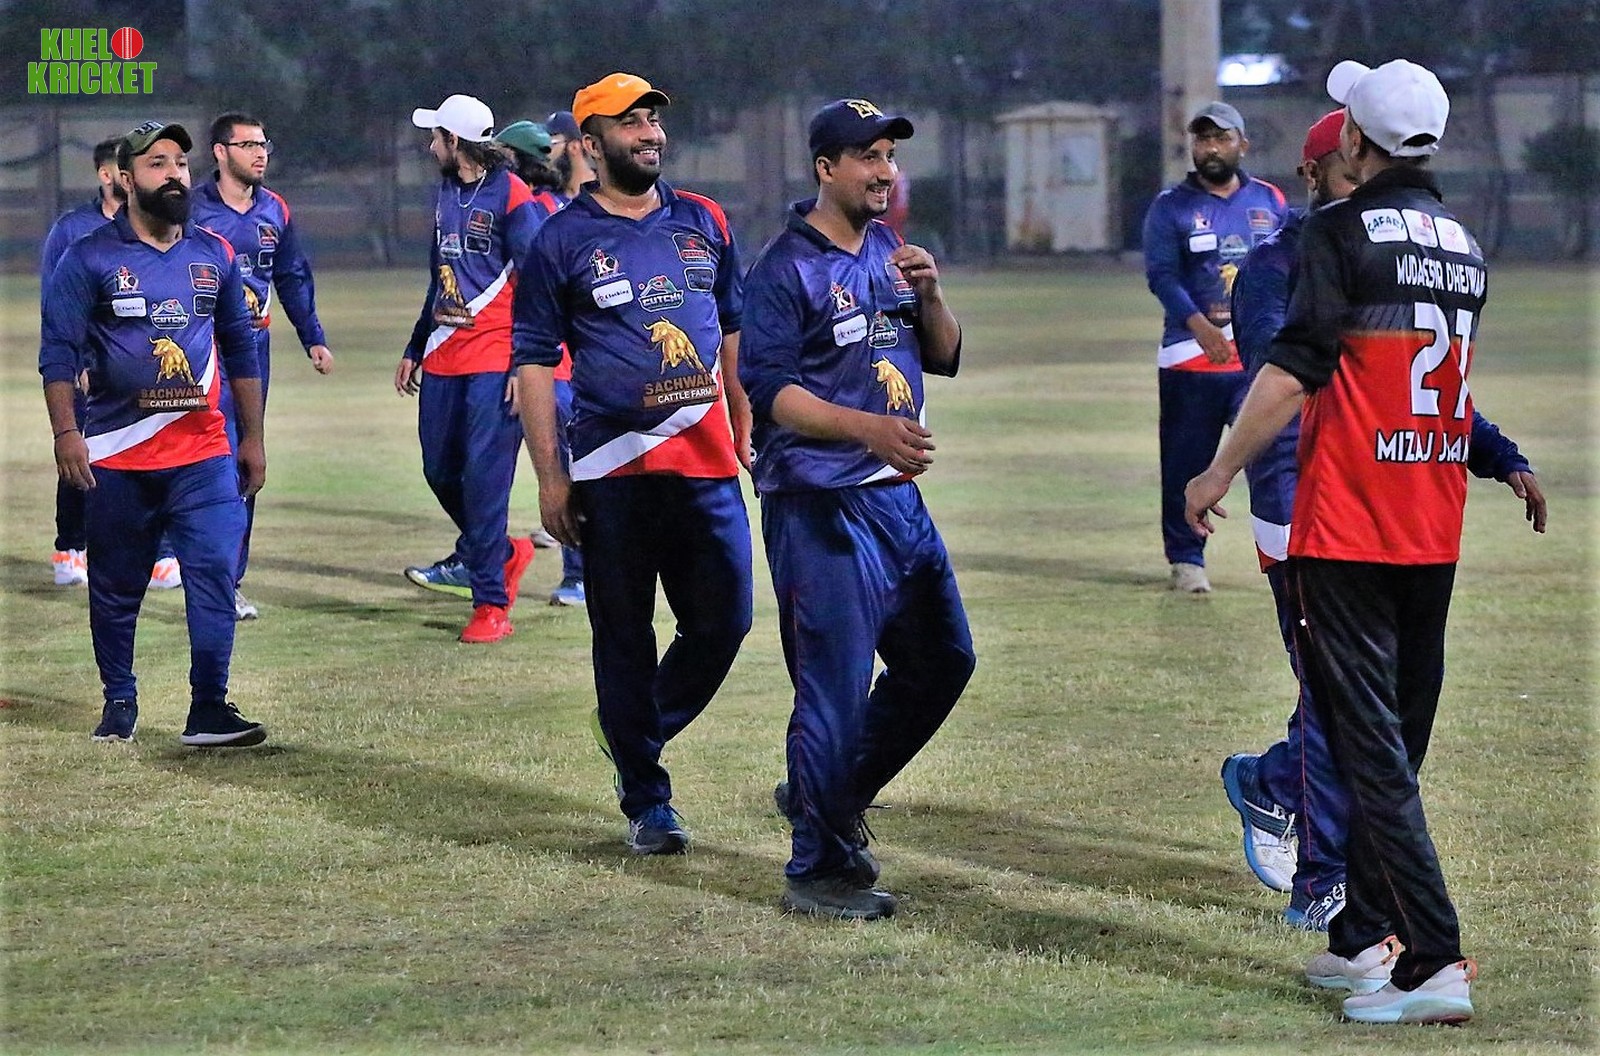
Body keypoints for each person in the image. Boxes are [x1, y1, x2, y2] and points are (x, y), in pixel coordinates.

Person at [1186, 59, 1545, 1024]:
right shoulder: (1464, 244)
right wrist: (1497, 455)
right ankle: (1368, 939)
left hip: (1349, 530)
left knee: (1369, 752)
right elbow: (1431, 384)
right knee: (1392, 746)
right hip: (1432, 527)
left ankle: (1433, 963)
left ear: (1353, 141)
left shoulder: (1336, 236)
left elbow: (1292, 371)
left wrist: (1216, 472)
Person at [740, 99, 976, 920]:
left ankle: (826, 798)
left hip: (898, 503)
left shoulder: (885, 250)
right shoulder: (784, 268)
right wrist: (869, 429)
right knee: (833, 692)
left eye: (889, 157)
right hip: (822, 505)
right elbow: (770, 392)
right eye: (868, 157)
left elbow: (942, 355)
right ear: (825, 168)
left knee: (943, 661)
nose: (884, 172)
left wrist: (932, 294)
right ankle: (818, 870)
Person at [513, 72, 753, 854]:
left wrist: (746, 425)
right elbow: (534, 363)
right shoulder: (560, 240)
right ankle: (649, 800)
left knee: (725, 622)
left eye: (652, 119)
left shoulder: (705, 219)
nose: (649, 133)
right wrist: (551, 477)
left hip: (708, 465)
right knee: (623, 638)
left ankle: (630, 728)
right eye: (630, 123)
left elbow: (733, 331)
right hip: (611, 473)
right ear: (591, 144)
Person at [40, 120, 269, 747]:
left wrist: (252, 438)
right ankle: (119, 699)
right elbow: (58, 353)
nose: (174, 175)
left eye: (180, 164)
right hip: (117, 455)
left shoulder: (213, 254)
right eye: (157, 164)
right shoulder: (88, 256)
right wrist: (66, 433)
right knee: (116, 588)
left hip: (203, 453)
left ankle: (209, 707)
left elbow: (240, 349)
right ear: (125, 177)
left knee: (214, 573)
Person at [397, 93, 541, 643]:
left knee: (485, 480)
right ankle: (499, 551)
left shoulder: (513, 194)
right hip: (443, 355)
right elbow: (440, 278)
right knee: (439, 470)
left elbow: (538, 281)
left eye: (435, 137)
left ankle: (491, 606)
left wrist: (524, 363)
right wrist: (415, 345)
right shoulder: (445, 193)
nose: (430, 146)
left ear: (455, 141)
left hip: (495, 358)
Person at [191, 112, 335, 621]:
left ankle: (227, 582)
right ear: (220, 152)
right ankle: (172, 558)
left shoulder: (275, 210)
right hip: (198, 355)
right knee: (195, 461)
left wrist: (312, 337)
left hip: (251, 356)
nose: (260, 153)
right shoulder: (191, 210)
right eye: (248, 145)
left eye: (263, 144)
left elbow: (292, 275)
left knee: (242, 463)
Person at [1142, 101, 1289, 593]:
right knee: (1185, 464)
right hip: (1190, 358)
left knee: (1275, 458)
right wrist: (1200, 326)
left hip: (1257, 362)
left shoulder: (1270, 201)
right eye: (1203, 139)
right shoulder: (1171, 206)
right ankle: (1187, 560)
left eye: (1221, 138)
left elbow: (1289, 269)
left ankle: (1287, 551)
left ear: (1241, 144)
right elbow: (1161, 275)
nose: (1211, 148)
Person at [494, 117, 587, 606]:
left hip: (564, 365)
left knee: (570, 464)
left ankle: (581, 575)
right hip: (543, 364)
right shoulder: (533, 209)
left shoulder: (553, 213)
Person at [40, 136, 124, 589]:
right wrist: (75, 365)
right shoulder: (72, 230)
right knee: (81, 454)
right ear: (106, 175)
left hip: (136, 368)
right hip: (86, 371)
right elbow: (55, 307)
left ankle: (159, 552)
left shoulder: (148, 226)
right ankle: (70, 546)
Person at [536, 108, 599, 608]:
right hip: (555, 367)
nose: (547, 150)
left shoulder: (605, 206)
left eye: (553, 141)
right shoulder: (542, 206)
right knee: (565, 465)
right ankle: (577, 573)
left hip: (599, 369)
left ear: (577, 145)